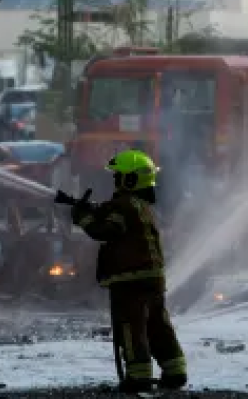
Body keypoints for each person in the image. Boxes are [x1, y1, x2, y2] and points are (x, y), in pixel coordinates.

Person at [64, 149, 187, 393]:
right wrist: (94, 209)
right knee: (158, 325)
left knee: (132, 327)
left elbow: (106, 231)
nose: (114, 181)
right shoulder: (143, 206)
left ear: (129, 179)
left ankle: (138, 377)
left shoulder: (122, 206)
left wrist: (83, 219)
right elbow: (118, 221)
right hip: (153, 278)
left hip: (130, 280)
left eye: (117, 176)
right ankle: (175, 372)